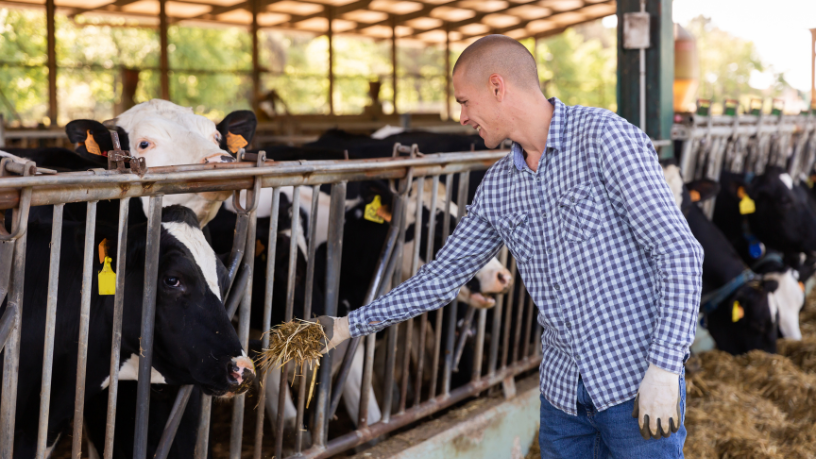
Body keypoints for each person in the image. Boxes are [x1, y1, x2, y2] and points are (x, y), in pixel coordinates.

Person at [318, 34, 702, 458]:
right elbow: (441, 278)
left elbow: (678, 252)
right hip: (563, 398)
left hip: (634, 384)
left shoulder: (604, 138)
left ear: (498, 87)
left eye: (465, 101)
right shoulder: (499, 187)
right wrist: (347, 326)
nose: (462, 117)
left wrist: (666, 366)